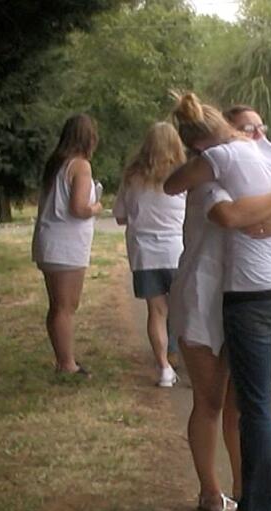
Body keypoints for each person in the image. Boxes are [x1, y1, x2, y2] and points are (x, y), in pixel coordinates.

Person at [166, 92, 271, 511]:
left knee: (248, 402)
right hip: (206, 294)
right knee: (214, 401)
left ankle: (251, 493)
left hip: (249, 293)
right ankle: (212, 490)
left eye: (260, 128)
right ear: (225, 135)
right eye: (248, 129)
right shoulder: (215, 171)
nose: (258, 136)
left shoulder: (267, 158)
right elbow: (230, 216)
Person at [112, 122, 187, 386]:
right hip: (178, 250)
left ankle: (165, 369)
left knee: (157, 311)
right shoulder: (183, 175)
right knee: (183, 310)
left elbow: (120, 217)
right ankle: (188, 362)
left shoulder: (131, 177)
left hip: (144, 253)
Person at [32, 114, 102, 377]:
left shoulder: (56, 164)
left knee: (58, 305)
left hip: (50, 242)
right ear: (89, 138)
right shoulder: (81, 166)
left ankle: (64, 358)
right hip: (67, 246)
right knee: (65, 306)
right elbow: (79, 207)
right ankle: (66, 363)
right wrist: (96, 207)